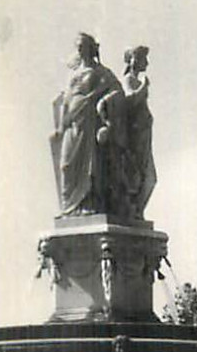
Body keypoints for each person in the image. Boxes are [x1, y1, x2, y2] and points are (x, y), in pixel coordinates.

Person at [50, 33, 125, 216]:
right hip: (72, 122)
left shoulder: (101, 72)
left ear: (91, 48)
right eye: (78, 46)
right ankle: (69, 207)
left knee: (90, 166)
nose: (80, 49)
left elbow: (117, 90)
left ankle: (87, 205)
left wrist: (103, 102)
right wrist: (60, 125)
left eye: (83, 45)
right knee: (66, 165)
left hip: (90, 123)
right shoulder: (73, 74)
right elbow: (65, 100)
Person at [121, 46, 157, 221]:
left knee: (149, 178)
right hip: (135, 140)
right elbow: (129, 100)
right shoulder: (128, 80)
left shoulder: (135, 81)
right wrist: (144, 87)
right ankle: (134, 212)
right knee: (141, 178)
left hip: (143, 140)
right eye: (144, 59)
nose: (147, 63)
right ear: (135, 60)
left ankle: (137, 212)